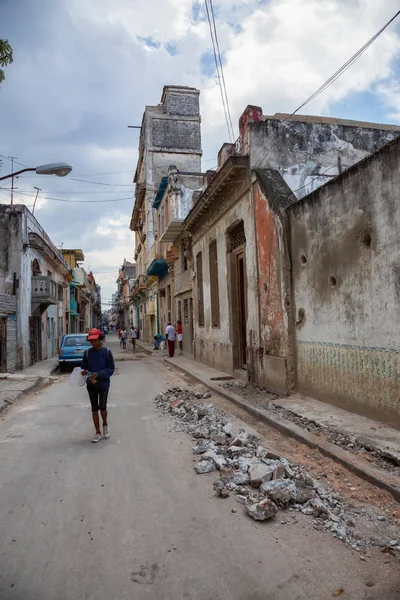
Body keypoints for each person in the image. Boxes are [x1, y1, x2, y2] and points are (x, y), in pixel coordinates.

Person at [81, 328, 115, 443]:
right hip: (91, 384)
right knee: (94, 408)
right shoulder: (87, 353)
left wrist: (99, 374)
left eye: (95, 340)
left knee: (103, 407)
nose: (93, 343)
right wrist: (84, 371)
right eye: (91, 341)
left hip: (103, 383)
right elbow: (84, 366)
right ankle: (97, 432)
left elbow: (111, 369)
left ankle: (105, 424)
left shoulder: (107, 352)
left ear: (100, 339)